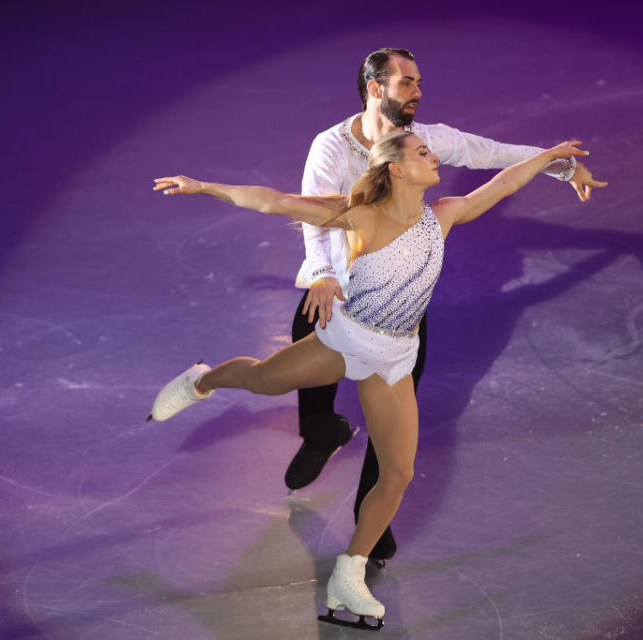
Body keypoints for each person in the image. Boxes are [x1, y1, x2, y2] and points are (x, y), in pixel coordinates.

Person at [149, 130, 601, 628]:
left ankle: (350, 571)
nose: (435, 157)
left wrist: (551, 158)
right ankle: (203, 381)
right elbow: (273, 202)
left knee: (399, 472)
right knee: (261, 380)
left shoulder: (443, 214)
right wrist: (203, 186)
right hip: (345, 342)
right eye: (423, 153)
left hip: (395, 358)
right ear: (398, 170)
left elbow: (504, 184)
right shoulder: (363, 215)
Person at [288, 48, 607, 564]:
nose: (417, 92)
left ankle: (372, 525)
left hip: (395, 299)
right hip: (340, 276)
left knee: (390, 418)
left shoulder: (427, 140)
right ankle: (321, 430)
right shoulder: (331, 146)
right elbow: (311, 210)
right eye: (406, 83)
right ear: (375, 89)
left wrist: (560, 164)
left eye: (418, 83)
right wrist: (323, 276)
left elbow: (493, 154)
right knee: (306, 341)